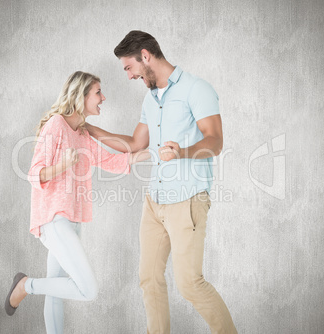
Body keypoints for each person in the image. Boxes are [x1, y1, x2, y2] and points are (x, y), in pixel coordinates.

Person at [85, 31, 237, 333]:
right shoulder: (150, 99)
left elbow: (216, 142)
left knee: (190, 284)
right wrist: (89, 129)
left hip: (188, 199)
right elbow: (135, 144)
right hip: (155, 202)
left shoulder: (197, 89)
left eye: (129, 68)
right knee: (149, 278)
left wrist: (182, 152)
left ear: (145, 56)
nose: (128, 76)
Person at [4, 71, 149, 334]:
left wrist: (153, 155)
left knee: (56, 289)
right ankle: (26, 285)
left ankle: (33, 292)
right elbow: (33, 174)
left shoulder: (82, 135)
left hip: (74, 220)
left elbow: (112, 161)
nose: (103, 98)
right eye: (97, 93)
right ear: (80, 96)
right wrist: (64, 165)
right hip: (54, 218)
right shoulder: (56, 125)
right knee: (88, 289)